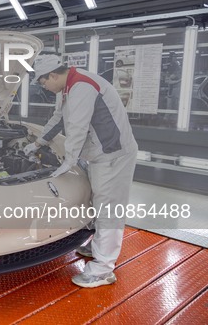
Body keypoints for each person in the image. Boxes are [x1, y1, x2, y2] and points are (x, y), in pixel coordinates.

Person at [24, 55, 138, 288]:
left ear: (53, 75)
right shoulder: (70, 86)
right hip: (99, 155)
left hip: (112, 156)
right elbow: (60, 119)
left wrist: (69, 161)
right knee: (96, 202)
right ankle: (97, 246)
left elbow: (76, 127)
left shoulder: (82, 87)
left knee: (109, 209)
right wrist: (38, 143)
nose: (44, 87)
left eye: (43, 82)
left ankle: (103, 269)